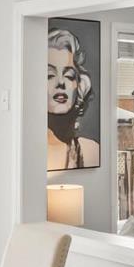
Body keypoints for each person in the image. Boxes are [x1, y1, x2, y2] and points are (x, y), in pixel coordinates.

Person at [47, 26, 100, 170]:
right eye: (49, 75)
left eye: (69, 75)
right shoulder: (26, 151)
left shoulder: (91, 152)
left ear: (79, 84)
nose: (61, 82)